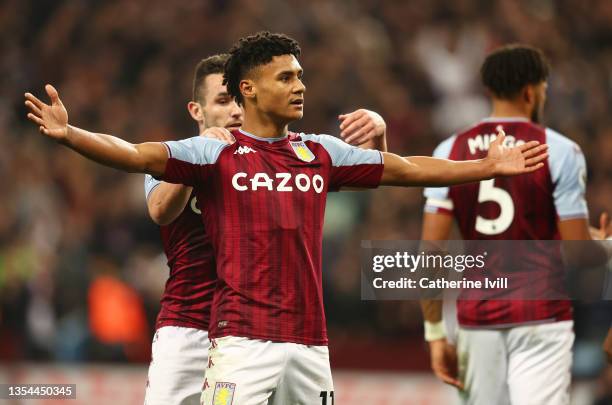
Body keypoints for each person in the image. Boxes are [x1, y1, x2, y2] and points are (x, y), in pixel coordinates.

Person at [25, 32, 547, 405]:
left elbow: (403, 168)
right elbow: (136, 156)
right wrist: (73, 136)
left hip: (310, 342)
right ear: (249, 90)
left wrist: (485, 165)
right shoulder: (212, 154)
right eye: (286, 77)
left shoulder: (319, 152)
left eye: (300, 76)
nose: (300, 87)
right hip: (240, 340)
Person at [144, 53, 388, 405]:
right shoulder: (175, 156)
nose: (235, 111)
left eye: (238, 100)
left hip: (255, 333)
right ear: (197, 111)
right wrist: (200, 156)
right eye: (222, 101)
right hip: (189, 326)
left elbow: (370, 180)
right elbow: (160, 212)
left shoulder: (274, 159)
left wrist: (377, 136)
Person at [420, 44, 610, 405]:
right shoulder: (560, 150)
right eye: (544, 89)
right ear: (531, 91)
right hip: (541, 315)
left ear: (490, 91)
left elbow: (431, 253)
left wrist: (435, 334)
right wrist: (603, 244)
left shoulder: (449, 150)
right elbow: (579, 253)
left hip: (475, 317)